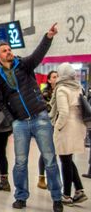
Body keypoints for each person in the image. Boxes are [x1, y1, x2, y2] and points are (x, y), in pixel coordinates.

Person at [0, 23, 63, 212]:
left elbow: (38, 54)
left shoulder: (23, 64)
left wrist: (48, 36)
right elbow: (0, 101)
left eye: (9, 49)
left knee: (49, 159)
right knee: (20, 162)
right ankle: (21, 196)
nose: (8, 52)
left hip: (40, 118)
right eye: (4, 50)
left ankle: (57, 197)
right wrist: (12, 120)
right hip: (20, 124)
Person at [50, 63, 88, 205]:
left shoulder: (61, 89)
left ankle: (66, 195)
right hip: (78, 126)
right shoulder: (78, 87)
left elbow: (64, 112)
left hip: (66, 128)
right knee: (68, 159)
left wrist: (57, 127)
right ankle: (79, 190)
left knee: (65, 161)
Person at [38, 70, 58, 190]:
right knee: (46, 152)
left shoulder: (60, 91)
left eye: (58, 76)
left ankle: (52, 179)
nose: (56, 78)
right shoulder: (45, 93)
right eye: (54, 77)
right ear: (49, 80)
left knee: (54, 153)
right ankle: (41, 177)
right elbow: (48, 109)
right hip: (48, 125)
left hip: (59, 126)